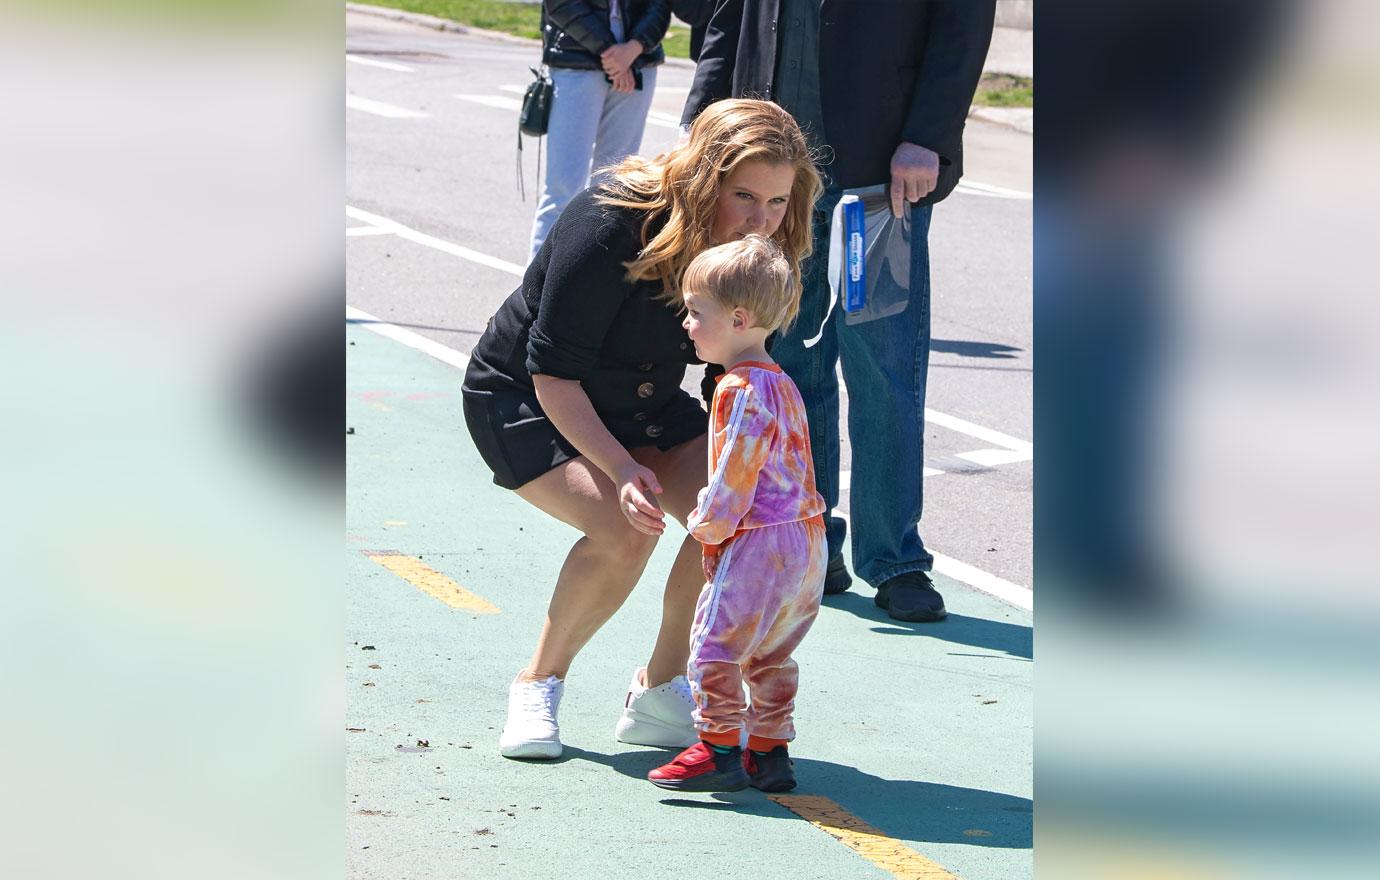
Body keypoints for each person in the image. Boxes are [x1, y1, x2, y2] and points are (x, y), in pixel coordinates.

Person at [462, 99, 823, 760]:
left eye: (776, 200)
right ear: (702, 175)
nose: (760, 219)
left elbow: (734, 370)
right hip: (532, 396)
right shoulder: (610, 220)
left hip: (644, 399)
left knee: (735, 520)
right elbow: (553, 374)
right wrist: (623, 471)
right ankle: (538, 681)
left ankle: (660, 692)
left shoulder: (766, 242)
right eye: (744, 195)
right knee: (625, 526)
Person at [681, 1, 996, 622]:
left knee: (883, 371)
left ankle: (896, 561)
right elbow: (729, 16)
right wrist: (702, 124)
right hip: (774, 184)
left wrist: (929, 134)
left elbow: (961, 19)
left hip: (878, 180)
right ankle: (814, 545)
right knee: (794, 370)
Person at [645, 235, 827, 793]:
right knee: (773, 650)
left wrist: (709, 527)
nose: (687, 324)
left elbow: (734, 474)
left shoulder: (737, 389)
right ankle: (770, 751)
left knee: (712, 645)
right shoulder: (784, 382)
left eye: (697, 312)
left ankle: (719, 747)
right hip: (808, 537)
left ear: (739, 318)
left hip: (759, 543)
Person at [530, 0, 672, 260]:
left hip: (638, 64)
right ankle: (534, 290)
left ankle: (592, 278)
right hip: (576, 62)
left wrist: (633, 48)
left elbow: (659, 5)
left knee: (613, 187)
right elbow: (561, 4)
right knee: (563, 187)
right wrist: (610, 52)